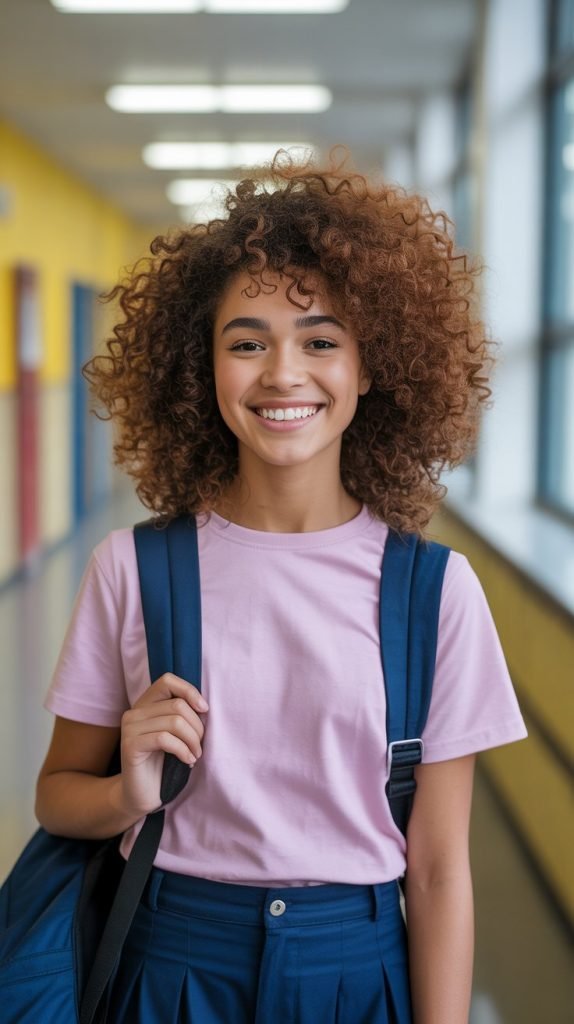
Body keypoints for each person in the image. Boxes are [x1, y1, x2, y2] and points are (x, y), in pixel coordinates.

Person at [36, 153, 527, 1024]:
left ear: (370, 369)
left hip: (357, 972)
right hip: (169, 965)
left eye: (322, 341)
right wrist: (126, 791)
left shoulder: (435, 592)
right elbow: (57, 794)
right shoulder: (133, 568)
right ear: (205, 368)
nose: (282, 373)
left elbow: (442, 867)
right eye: (247, 342)